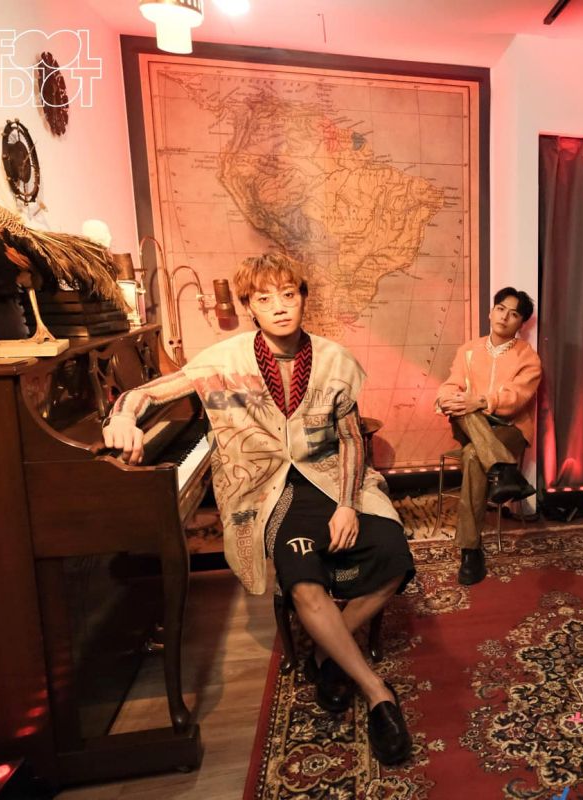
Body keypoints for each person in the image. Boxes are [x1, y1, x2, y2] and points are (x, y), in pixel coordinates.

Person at [102, 252, 414, 765]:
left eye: (289, 295)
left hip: (331, 481)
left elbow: (352, 439)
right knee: (304, 580)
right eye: (265, 299)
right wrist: (121, 417)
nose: (280, 307)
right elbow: (150, 393)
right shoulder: (224, 360)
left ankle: (325, 655)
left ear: (303, 298)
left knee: (394, 556)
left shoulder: (334, 359)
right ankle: (378, 692)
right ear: (250, 307)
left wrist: (346, 504)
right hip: (267, 492)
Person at [436, 287, 541, 585]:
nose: (504, 317)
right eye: (501, 309)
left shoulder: (528, 358)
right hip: (469, 423)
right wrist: (448, 398)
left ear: (521, 323)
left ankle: (470, 551)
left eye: (514, 314)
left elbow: (517, 398)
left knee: (473, 456)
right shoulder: (468, 350)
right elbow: (451, 384)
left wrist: (480, 401)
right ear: (491, 312)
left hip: (509, 428)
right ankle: (505, 470)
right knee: (461, 407)